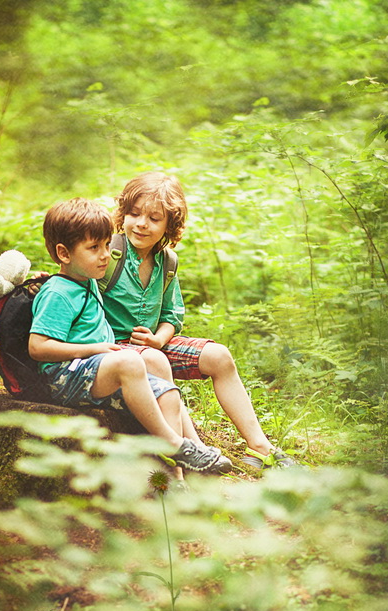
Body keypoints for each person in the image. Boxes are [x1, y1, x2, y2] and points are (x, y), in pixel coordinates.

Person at [101, 171, 295, 470]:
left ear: (169, 225)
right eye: (134, 214)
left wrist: (158, 339)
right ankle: (193, 453)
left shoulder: (167, 261)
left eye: (154, 218)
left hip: (152, 347)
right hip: (114, 352)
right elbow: (74, 288)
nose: (141, 223)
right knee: (154, 360)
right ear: (123, 214)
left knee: (219, 356)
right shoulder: (108, 253)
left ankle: (259, 447)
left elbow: (171, 316)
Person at [28, 197, 232, 475]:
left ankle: (177, 476)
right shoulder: (58, 292)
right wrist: (92, 348)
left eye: (106, 245)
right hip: (64, 376)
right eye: (94, 248)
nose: (105, 255)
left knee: (166, 388)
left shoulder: (88, 280)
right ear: (64, 253)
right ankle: (175, 444)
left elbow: (170, 315)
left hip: (94, 370)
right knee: (129, 361)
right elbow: (38, 347)